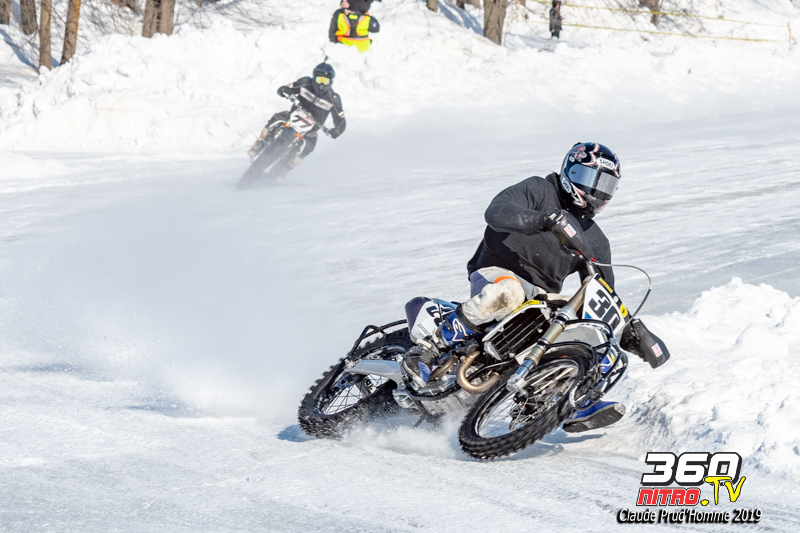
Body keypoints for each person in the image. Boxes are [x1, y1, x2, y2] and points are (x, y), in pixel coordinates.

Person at [404, 142, 625, 432]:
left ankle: (560, 400)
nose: (596, 191)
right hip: (497, 271)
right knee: (509, 292)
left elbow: (603, 291)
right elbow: (496, 211)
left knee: (585, 327)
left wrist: (632, 328)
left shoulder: (595, 239)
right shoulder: (539, 189)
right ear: (570, 172)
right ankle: (430, 348)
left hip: (540, 296)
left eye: (605, 185)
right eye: (589, 179)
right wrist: (544, 220)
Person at [247, 63, 346, 182]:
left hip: (310, 130)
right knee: (276, 118)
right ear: (313, 77)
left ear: (331, 81)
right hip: (291, 117)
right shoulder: (305, 82)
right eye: (319, 80)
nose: (321, 84)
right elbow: (289, 87)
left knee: (309, 146)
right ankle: (259, 143)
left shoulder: (334, 99)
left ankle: (286, 168)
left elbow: (341, 122)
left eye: (325, 81)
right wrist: (284, 90)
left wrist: (336, 131)